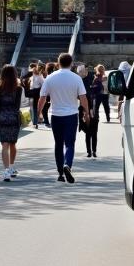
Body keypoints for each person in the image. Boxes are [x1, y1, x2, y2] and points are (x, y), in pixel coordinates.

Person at [39, 53, 88, 184]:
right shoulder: (76, 78)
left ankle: (60, 172)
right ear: (71, 63)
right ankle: (68, 165)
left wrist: (38, 113)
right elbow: (83, 97)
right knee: (70, 143)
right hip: (71, 115)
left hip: (56, 115)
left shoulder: (50, 78)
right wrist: (87, 112)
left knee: (58, 144)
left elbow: (42, 97)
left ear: (58, 63)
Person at [0, 65, 22, 182]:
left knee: (4, 145)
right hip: (14, 117)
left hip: (3, 117)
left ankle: (6, 172)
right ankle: (11, 167)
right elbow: (17, 106)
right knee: (13, 144)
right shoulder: (18, 89)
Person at [28, 63, 44, 129]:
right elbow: (43, 85)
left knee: (32, 107)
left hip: (33, 92)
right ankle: (35, 122)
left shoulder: (32, 76)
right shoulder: (39, 76)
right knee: (34, 107)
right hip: (36, 92)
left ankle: (34, 122)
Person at [41, 61, 57, 125]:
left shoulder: (49, 77)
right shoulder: (55, 75)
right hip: (54, 95)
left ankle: (46, 121)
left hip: (48, 96)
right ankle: (47, 121)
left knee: (44, 109)